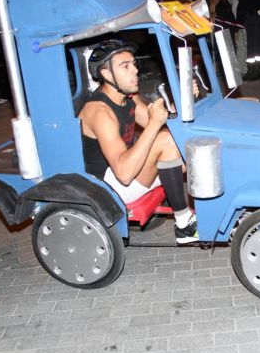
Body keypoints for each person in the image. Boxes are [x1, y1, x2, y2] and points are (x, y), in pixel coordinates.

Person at [77, 39, 198, 244]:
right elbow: (124, 174)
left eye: (133, 63)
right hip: (108, 186)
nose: (135, 70)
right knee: (166, 141)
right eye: (125, 66)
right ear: (107, 74)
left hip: (127, 167)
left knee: (193, 155)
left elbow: (155, 120)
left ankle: (206, 210)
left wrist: (182, 103)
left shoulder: (127, 96)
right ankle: (184, 224)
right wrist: (154, 125)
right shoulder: (99, 112)